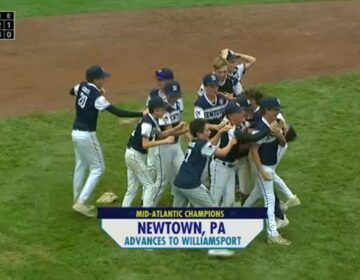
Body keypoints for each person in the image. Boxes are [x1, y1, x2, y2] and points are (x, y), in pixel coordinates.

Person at [70, 65, 144, 217]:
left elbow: (72, 91)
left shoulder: (82, 85)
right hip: (87, 135)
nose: (104, 80)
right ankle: (81, 202)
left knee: (81, 165)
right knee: (98, 168)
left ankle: (77, 198)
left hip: (75, 132)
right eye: (102, 78)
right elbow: (117, 112)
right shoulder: (97, 98)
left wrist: (96, 92)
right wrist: (140, 113)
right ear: (96, 79)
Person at [173, 118, 236, 257]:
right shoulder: (203, 145)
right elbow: (222, 153)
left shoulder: (194, 143)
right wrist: (232, 142)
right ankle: (215, 247)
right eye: (207, 130)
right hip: (191, 185)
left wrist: (219, 132)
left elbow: (208, 145)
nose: (209, 131)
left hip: (179, 183)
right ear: (200, 133)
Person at [122, 97, 185, 207]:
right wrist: (164, 141)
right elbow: (145, 144)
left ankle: (122, 215)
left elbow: (160, 134)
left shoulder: (151, 119)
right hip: (135, 156)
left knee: (132, 189)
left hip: (132, 154)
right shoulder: (147, 123)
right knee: (149, 186)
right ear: (156, 110)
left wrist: (178, 128)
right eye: (162, 109)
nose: (165, 112)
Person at [210, 102, 271, 207]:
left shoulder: (236, 125)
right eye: (239, 112)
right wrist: (269, 129)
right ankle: (203, 220)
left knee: (229, 200)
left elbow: (249, 126)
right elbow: (252, 138)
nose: (242, 114)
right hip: (219, 167)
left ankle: (223, 221)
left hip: (230, 167)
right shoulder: (229, 127)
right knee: (213, 199)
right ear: (231, 116)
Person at [250, 96, 291, 245]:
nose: (278, 113)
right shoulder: (260, 128)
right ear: (266, 110)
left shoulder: (274, 124)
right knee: (270, 200)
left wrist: (279, 134)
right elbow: (254, 151)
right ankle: (272, 234)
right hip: (264, 167)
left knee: (258, 196)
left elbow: (283, 143)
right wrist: (261, 171)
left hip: (271, 166)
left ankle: (240, 214)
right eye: (275, 110)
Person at [153, 81, 188, 206]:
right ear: (166, 94)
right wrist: (186, 130)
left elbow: (179, 119)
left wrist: (184, 131)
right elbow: (168, 133)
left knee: (182, 173)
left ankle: (177, 206)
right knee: (162, 181)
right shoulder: (163, 108)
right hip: (164, 147)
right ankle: (147, 205)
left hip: (175, 146)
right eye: (172, 95)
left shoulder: (177, 103)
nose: (174, 97)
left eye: (176, 95)